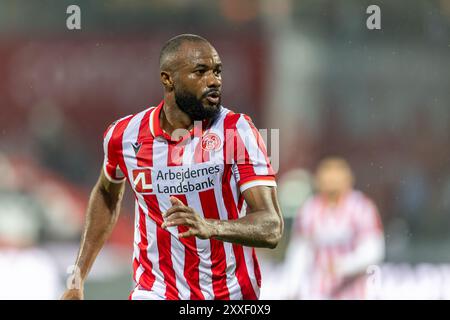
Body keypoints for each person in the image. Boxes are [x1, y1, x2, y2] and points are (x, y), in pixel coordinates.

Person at [61, 34, 283, 300]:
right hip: (155, 291)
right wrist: (78, 276)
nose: (213, 81)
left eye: (217, 71)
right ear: (168, 79)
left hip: (230, 293)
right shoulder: (124, 136)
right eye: (200, 72)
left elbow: (271, 227)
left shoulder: (237, 131)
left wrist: (212, 227)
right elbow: (107, 194)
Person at [283, 157, 384, 299]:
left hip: (354, 292)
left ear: (348, 179)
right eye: (327, 174)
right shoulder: (309, 210)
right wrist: (292, 288)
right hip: (318, 292)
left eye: (336, 175)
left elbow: (373, 250)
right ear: (318, 180)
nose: (331, 180)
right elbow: (299, 252)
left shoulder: (362, 207)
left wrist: (344, 265)